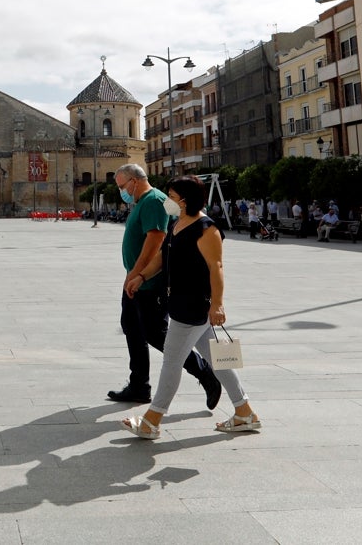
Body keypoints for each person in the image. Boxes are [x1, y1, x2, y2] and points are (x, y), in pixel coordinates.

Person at [121, 175, 261, 439]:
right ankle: (244, 412)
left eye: (172, 197)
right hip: (180, 304)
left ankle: (152, 420)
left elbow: (216, 268)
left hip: (194, 307)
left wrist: (217, 304)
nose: (168, 201)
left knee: (172, 362)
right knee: (216, 361)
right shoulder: (178, 223)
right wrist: (140, 277)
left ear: (184, 201)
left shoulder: (207, 230)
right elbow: (162, 257)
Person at [108, 164, 222, 409]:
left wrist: (138, 274)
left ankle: (205, 374)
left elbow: (156, 239)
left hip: (150, 283)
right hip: (137, 280)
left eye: (122, 186)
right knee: (131, 328)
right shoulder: (142, 202)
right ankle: (139, 385)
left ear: (134, 181)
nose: (121, 191)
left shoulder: (152, 201)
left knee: (156, 335)